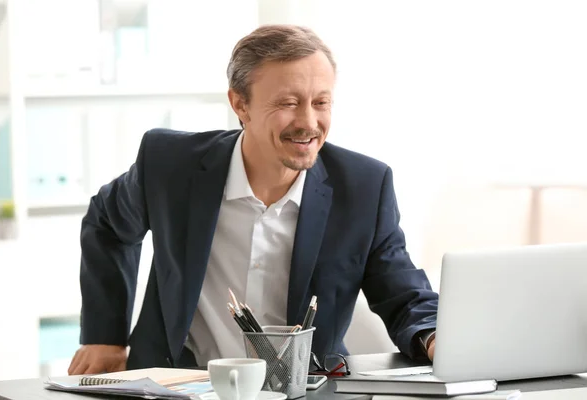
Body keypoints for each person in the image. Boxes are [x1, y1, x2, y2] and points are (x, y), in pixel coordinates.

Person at [68, 24, 438, 375]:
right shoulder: (170, 164)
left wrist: (436, 337)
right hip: (176, 385)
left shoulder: (364, 188)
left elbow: (403, 294)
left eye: (321, 102)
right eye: (289, 103)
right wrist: (105, 337)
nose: (308, 122)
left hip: (303, 389)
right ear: (239, 104)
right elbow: (107, 222)